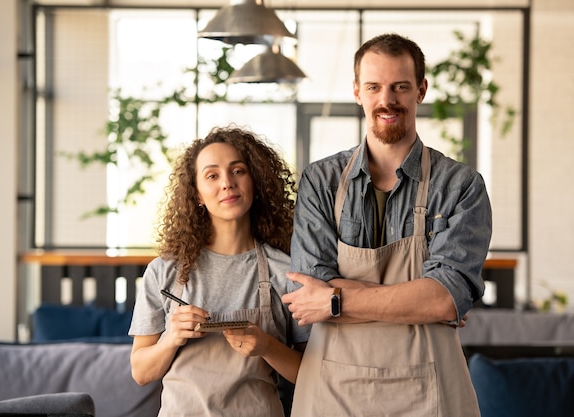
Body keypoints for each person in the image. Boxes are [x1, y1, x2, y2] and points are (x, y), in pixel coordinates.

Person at [282, 33, 492, 416]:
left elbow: (444, 298)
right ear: (357, 92)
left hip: (432, 396)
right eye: (374, 87)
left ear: (421, 90)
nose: (387, 100)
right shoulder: (320, 180)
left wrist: (334, 301)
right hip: (332, 393)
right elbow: (309, 285)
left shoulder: (461, 186)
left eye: (400, 87)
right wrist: (419, 300)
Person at [129, 125, 307, 417]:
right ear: (197, 194)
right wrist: (171, 336)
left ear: (255, 182)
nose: (227, 183)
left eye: (238, 171)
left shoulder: (286, 272)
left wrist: (267, 346)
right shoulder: (163, 273)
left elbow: (310, 374)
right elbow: (141, 372)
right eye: (212, 175)